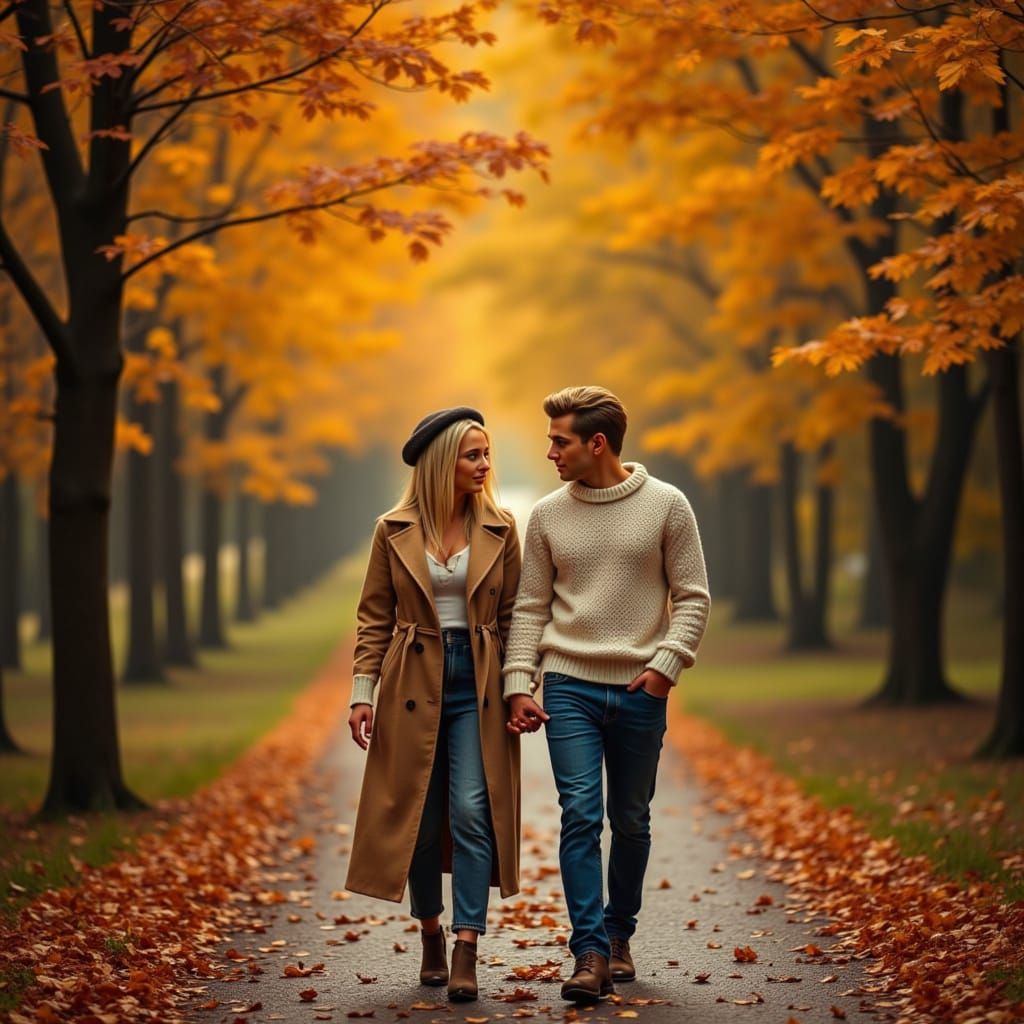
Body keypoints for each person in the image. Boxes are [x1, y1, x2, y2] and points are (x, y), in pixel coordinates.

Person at [502, 385, 711, 1003]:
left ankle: (620, 935)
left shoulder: (668, 505)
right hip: (569, 686)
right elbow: (531, 606)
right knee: (581, 816)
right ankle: (588, 952)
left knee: (632, 820)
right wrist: (520, 683)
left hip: (641, 687)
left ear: (597, 444)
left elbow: (693, 596)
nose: (550, 453)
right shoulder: (545, 515)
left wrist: (666, 667)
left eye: (559, 440)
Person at [345, 407, 522, 1003]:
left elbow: (515, 617)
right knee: (416, 819)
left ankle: (467, 942)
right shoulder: (390, 528)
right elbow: (373, 616)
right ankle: (430, 934)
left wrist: (519, 684)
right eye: (473, 455)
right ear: (445, 462)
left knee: (473, 809)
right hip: (410, 681)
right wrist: (361, 695)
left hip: (476, 681)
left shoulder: (502, 527)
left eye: (487, 453)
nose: (484, 465)